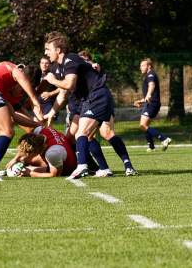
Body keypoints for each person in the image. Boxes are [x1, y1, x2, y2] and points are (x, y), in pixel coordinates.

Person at [44, 31, 137, 178]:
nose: (46, 53)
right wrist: (51, 112)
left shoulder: (70, 59)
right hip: (90, 99)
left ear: (58, 50)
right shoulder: (57, 67)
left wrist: (52, 81)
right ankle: (107, 168)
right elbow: (63, 93)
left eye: (48, 49)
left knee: (83, 133)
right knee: (93, 134)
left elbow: (69, 83)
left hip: (97, 96)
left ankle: (83, 166)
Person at [4, 126, 77, 177]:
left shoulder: (52, 154)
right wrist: (15, 159)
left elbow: (54, 175)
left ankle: (30, 168)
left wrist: (30, 173)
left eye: (28, 153)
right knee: (24, 160)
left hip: (67, 167)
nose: (23, 156)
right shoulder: (41, 131)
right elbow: (26, 144)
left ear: (36, 152)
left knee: (29, 166)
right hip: (61, 153)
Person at [133, 58, 171, 152]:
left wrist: (149, 94)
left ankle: (163, 138)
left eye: (142, 65)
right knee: (145, 126)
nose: (140, 67)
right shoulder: (149, 75)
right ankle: (151, 146)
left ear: (149, 66)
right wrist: (142, 101)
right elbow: (149, 93)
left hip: (152, 104)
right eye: (140, 66)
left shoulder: (150, 74)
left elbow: (151, 85)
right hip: (151, 103)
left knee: (142, 125)